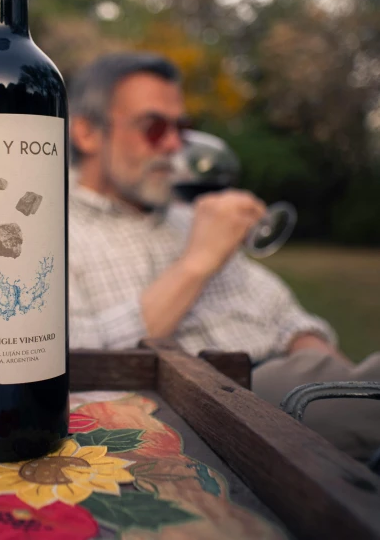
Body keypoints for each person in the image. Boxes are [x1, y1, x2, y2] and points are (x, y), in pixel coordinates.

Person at [68, 52, 380, 460]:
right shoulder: (54, 228)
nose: (174, 145)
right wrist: (196, 264)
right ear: (88, 133)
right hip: (209, 417)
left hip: (301, 398)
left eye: (182, 128)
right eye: (154, 127)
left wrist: (336, 383)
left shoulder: (188, 218)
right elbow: (78, 362)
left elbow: (286, 316)